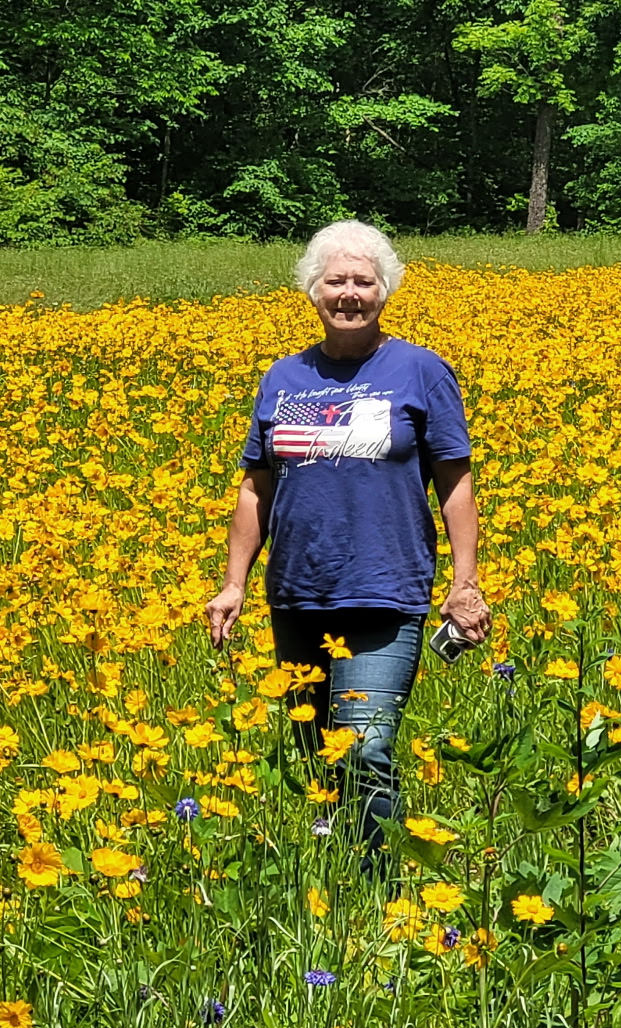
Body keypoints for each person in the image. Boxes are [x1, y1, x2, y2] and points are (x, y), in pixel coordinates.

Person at [206, 220, 489, 855]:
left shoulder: (420, 371)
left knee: (366, 747)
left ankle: (380, 885)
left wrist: (464, 583)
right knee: (313, 757)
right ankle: (330, 897)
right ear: (312, 290)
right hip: (299, 594)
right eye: (336, 281)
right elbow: (256, 487)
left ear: (386, 291)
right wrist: (234, 584)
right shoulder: (284, 378)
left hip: (384, 592)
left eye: (365, 281)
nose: (350, 293)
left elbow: (455, 480)